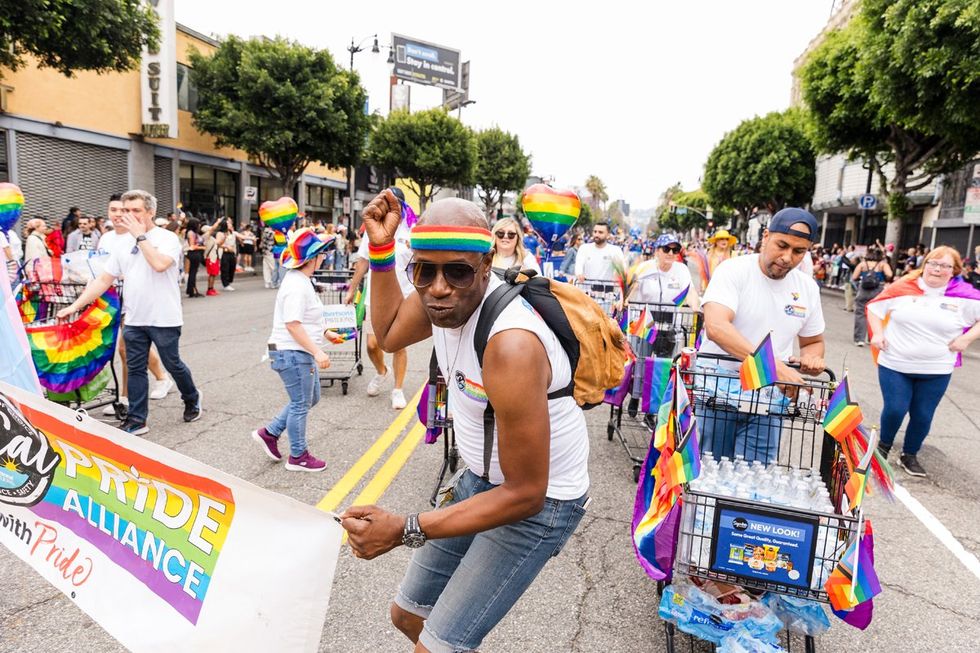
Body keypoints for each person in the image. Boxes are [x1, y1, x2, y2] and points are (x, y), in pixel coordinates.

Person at [341, 190, 588, 653]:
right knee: (408, 615)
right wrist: (380, 251)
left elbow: (527, 494)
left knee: (434, 646)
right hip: (482, 477)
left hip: (540, 501)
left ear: (487, 261)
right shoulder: (442, 296)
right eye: (423, 269)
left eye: (457, 270)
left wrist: (405, 527)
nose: (438, 287)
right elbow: (391, 334)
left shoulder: (511, 343)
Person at [56, 189, 202, 436]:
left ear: (150, 212)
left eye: (135, 210)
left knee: (172, 363)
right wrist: (74, 306)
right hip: (134, 317)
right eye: (126, 211)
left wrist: (140, 236)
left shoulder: (166, 238)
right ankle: (137, 419)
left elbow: (158, 265)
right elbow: (103, 280)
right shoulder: (121, 244)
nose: (128, 215)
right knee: (134, 368)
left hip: (164, 317)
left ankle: (192, 397)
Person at [698, 208, 826, 463]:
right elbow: (717, 327)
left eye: (799, 251)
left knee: (755, 482)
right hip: (717, 393)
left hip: (768, 398)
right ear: (765, 236)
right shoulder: (733, 270)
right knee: (707, 477)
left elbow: (813, 341)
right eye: (782, 245)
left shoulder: (807, 288)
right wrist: (775, 369)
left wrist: (812, 359)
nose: (788, 257)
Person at [866, 246, 980, 477]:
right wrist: (877, 334)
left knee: (923, 415)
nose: (936, 269)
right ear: (924, 264)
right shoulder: (904, 288)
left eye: (944, 266)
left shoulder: (964, 296)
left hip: (937, 368)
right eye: (932, 263)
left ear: (954, 270)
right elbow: (874, 308)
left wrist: (966, 339)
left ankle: (909, 455)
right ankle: (883, 447)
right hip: (896, 364)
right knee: (896, 409)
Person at [252, 228, 332, 472]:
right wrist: (318, 352)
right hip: (292, 353)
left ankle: (271, 432)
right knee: (300, 403)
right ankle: (298, 456)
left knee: (311, 398)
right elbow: (293, 324)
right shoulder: (297, 285)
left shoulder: (302, 281)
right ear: (312, 258)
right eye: (322, 253)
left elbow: (306, 320)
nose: (325, 257)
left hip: (294, 352)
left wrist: (326, 334)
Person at [97, 195, 172, 416]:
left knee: (127, 348)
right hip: (110, 297)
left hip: (134, 300)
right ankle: (157, 380)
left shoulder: (140, 237)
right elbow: (103, 271)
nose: (119, 214)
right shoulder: (106, 238)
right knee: (127, 348)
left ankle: (129, 396)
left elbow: (153, 266)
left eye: (124, 210)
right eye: (114, 210)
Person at [346, 188, 414, 410]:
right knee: (372, 345)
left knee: (398, 345)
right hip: (376, 298)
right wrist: (351, 289)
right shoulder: (373, 228)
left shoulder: (411, 231)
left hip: (404, 296)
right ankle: (381, 371)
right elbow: (363, 261)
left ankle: (398, 389)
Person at [851, 247, 893, 346]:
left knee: (860, 314)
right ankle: (872, 337)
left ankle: (859, 339)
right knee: (876, 314)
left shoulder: (862, 264)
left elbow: (854, 277)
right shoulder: (883, 264)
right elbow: (889, 274)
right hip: (877, 291)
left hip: (863, 290)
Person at [184, 218, 205, 297]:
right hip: (193, 253)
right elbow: (192, 246)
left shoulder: (194, 233)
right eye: (198, 224)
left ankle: (192, 290)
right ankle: (192, 290)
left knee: (193, 272)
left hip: (196, 254)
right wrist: (202, 248)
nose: (199, 225)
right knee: (193, 272)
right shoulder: (191, 233)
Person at [218, 217, 239, 292]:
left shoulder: (233, 233)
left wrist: (252, 238)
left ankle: (228, 282)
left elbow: (241, 236)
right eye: (228, 223)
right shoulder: (220, 233)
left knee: (232, 268)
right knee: (225, 269)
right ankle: (226, 284)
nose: (230, 224)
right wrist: (226, 246)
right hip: (224, 253)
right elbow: (218, 244)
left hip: (232, 253)